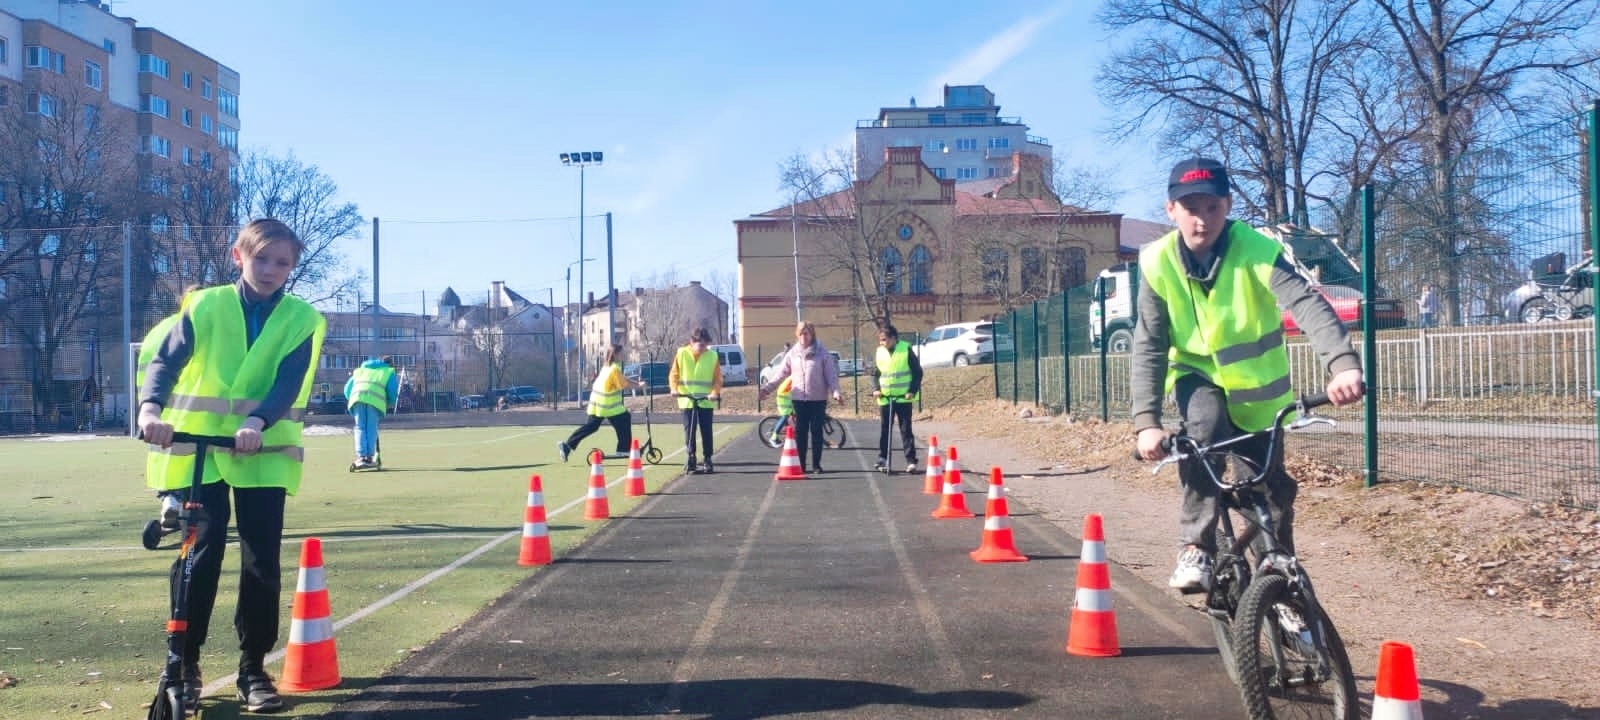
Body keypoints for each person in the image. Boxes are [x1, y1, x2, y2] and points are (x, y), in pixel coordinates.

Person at [1131, 158, 1365, 593]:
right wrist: (1146, 423)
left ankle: (1281, 576)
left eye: (1213, 208)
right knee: (1203, 433)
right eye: (1191, 207)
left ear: (1228, 205)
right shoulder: (1156, 262)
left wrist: (1342, 364)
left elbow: (1307, 303)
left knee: (1270, 492)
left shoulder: (1256, 249)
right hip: (1198, 378)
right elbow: (1149, 344)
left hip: (1261, 394)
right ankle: (1195, 546)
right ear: (1171, 209)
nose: (1202, 219)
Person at [137, 218, 326, 714]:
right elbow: (166, 360)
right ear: (237, 256)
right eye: (261, 258)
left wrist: (259, 421)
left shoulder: (302, 320)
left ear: (292, 268)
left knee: (261, 562)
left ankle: (252, 668)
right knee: (200, 557)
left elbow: (288, 382)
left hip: (262, 451)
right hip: (199, 451)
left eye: (282, 262)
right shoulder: (206, 305)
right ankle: (185, 664)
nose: (270, 270)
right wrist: (150, 409)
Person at [758, 321, 842, 473]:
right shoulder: (792, 354)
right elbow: (780, 374)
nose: (804, 336)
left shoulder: (822, 353)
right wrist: (767, 389)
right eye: (801, 333)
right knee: (801, 434)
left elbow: (831, 376)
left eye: (807, 333)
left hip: (818, 400)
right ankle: (801, 465)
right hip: (799, 400)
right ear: (797, 334)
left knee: (816, 432)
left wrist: (836, 392)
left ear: (812, 334)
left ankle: (816, 465)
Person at [557, 344, 642, 462]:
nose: (624, 355)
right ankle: (623, 449)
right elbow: (624, 385)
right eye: (622, 353)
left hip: (597, 404)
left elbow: (622, 380)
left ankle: (567, 446)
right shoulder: (614, 369)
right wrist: (639, 386)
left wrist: (636, 383)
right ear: (616, 355)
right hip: (607, 406)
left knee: (591, 427)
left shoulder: (607, 367)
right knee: (625, 418)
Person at [669, 327, 723, 473]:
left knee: (706, 430)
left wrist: (714, 392)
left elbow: (717, 379)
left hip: (705, 400)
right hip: (687, 400)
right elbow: (674, 374)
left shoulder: (712, 356)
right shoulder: (681, 354)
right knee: (689, 430)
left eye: (705, 345)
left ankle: (707, 458)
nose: (703, 348)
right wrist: (674, 389)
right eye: (701, 345)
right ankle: (691, 456)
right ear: (692, 342)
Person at [871, 324, 923, 473]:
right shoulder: (880, 352)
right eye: (880, 340)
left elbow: (917, 372)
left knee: (905, 429)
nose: (882, 343)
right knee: (885, 429)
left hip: (903, 397)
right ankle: (883, 458)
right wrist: (876, 389)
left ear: (893, 338)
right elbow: (875, 374)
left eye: (885, 340)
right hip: (886, 398)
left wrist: (912, 391)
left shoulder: (905, 350)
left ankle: (911, 460)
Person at [344, 355, 397, 469]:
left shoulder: (361, 370)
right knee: (371, 428)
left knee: (360, 427)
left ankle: (361, 456)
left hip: (357, 398)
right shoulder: (388, 371)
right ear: (391, 364)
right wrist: (389, 403)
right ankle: (369, 457)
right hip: (375, 401)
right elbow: (392, 392)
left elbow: (347, 389)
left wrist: (353, 397)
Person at [768, 376, 795, 446]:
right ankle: (773, 438)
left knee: (795, 412)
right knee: (786, 415)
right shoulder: (796, 376)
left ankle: (790, 428)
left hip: (788, 394)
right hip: (784, 396)